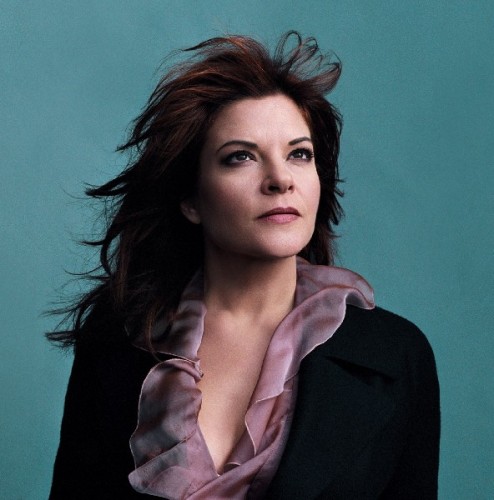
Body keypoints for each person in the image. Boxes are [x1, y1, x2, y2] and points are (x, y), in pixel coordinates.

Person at [48, 32, 440, 499]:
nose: (280, 179)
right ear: (190, 198)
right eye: (241, 157)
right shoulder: (120, 335)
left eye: (299, 154)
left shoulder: (395, 354)